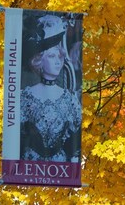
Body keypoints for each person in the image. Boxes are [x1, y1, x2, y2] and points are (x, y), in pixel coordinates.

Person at [20, 14, 82, 162]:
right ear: (39, 60)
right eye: (52, 56)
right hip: (30, 164)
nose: (58, 62)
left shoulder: (69, 99)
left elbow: (75, 141)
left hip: (61, 165)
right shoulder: (25, 97)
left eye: (59, 57)